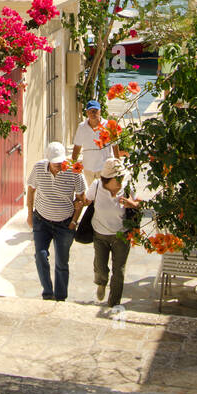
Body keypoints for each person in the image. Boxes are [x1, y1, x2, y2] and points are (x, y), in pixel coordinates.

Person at [26, 142, 85, 301]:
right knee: (40, 255)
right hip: (41, 220)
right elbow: (31, 190)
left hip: (64, 224)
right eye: (55, 163)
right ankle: (47, 292)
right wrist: (29, 214)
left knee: (61, 262)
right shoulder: (38, 168)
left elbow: (81, 198)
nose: (59, 165)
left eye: (61, 162)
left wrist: (74, 221)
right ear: (48, 160)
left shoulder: (74, 171)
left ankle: (60, 297)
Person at [80, 156, 142, 308]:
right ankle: (101, 283)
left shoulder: (127, 186)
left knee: (118, 271)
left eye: (121, 176)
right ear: (107, 179)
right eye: (118, 178)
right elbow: (86, 201)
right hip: (100, 234)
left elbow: (140, 202)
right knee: (100, 266)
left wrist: (132, 204)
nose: (121, 180)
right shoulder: (96, 186)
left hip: (121, 235)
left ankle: (114, 302)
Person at [72, 99, 127, 187]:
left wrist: (118, 164)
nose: (93, 113)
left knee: (104, 193)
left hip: (105, 167)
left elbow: (115, 145)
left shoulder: (108, 125)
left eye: (95, 111)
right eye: (90, 111)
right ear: (87, 113)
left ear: (100, 111)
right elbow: (77, 146)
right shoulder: (82, 127)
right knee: (91, 194)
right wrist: (73, 165)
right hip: (88, 168)